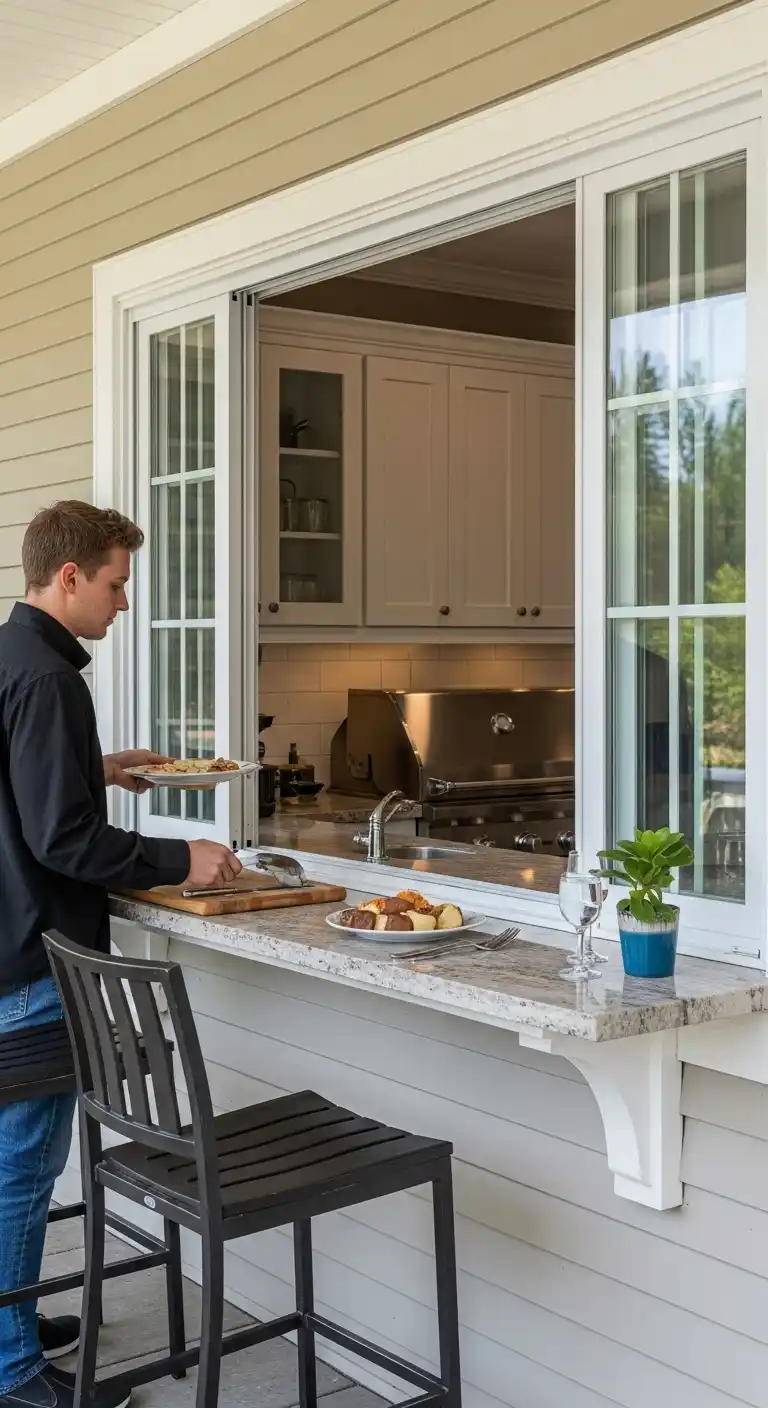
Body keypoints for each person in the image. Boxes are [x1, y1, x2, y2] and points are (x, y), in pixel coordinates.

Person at [0, 502, 241, 1408]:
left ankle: (9, 1322)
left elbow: (21, 783)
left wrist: (90, 764)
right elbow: (64, 842)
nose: (124, 601)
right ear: (68, 578)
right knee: (23, 1166)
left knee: (11, 1162)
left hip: (6, 948)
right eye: (115, 582)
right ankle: (14, 1372)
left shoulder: (10, 658)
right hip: (32, 961)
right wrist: (187, 859)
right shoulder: (49, 680)